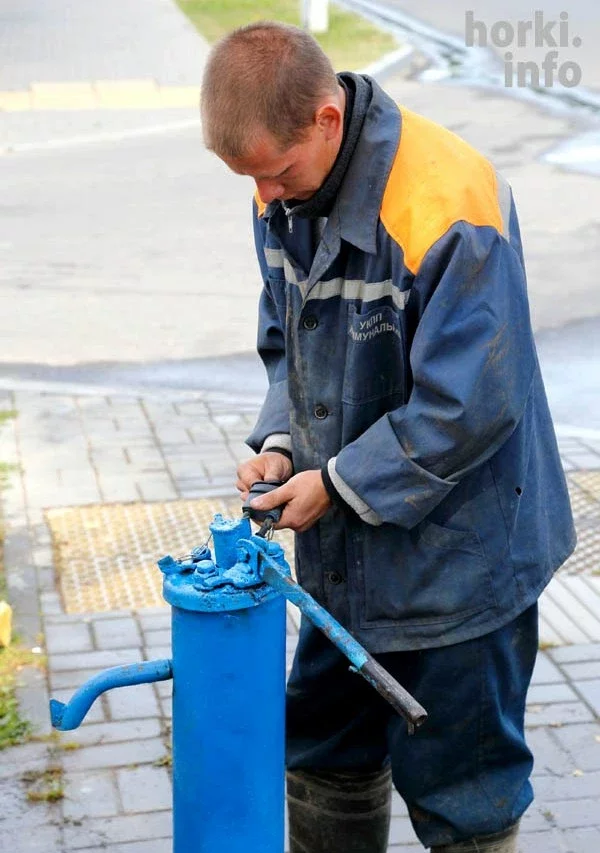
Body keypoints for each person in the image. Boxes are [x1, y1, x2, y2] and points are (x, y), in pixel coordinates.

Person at [200, 21, 576, 853]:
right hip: (345, 568)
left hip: (461, 567)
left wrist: (333, 483)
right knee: (326, 758)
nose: (265, 197)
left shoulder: (448, 200)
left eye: (275, 172)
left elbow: (471, 403)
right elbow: (286, 341)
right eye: (249, 179)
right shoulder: (282, 185)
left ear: (328, 120)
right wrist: (284, 445)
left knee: (464, 794)